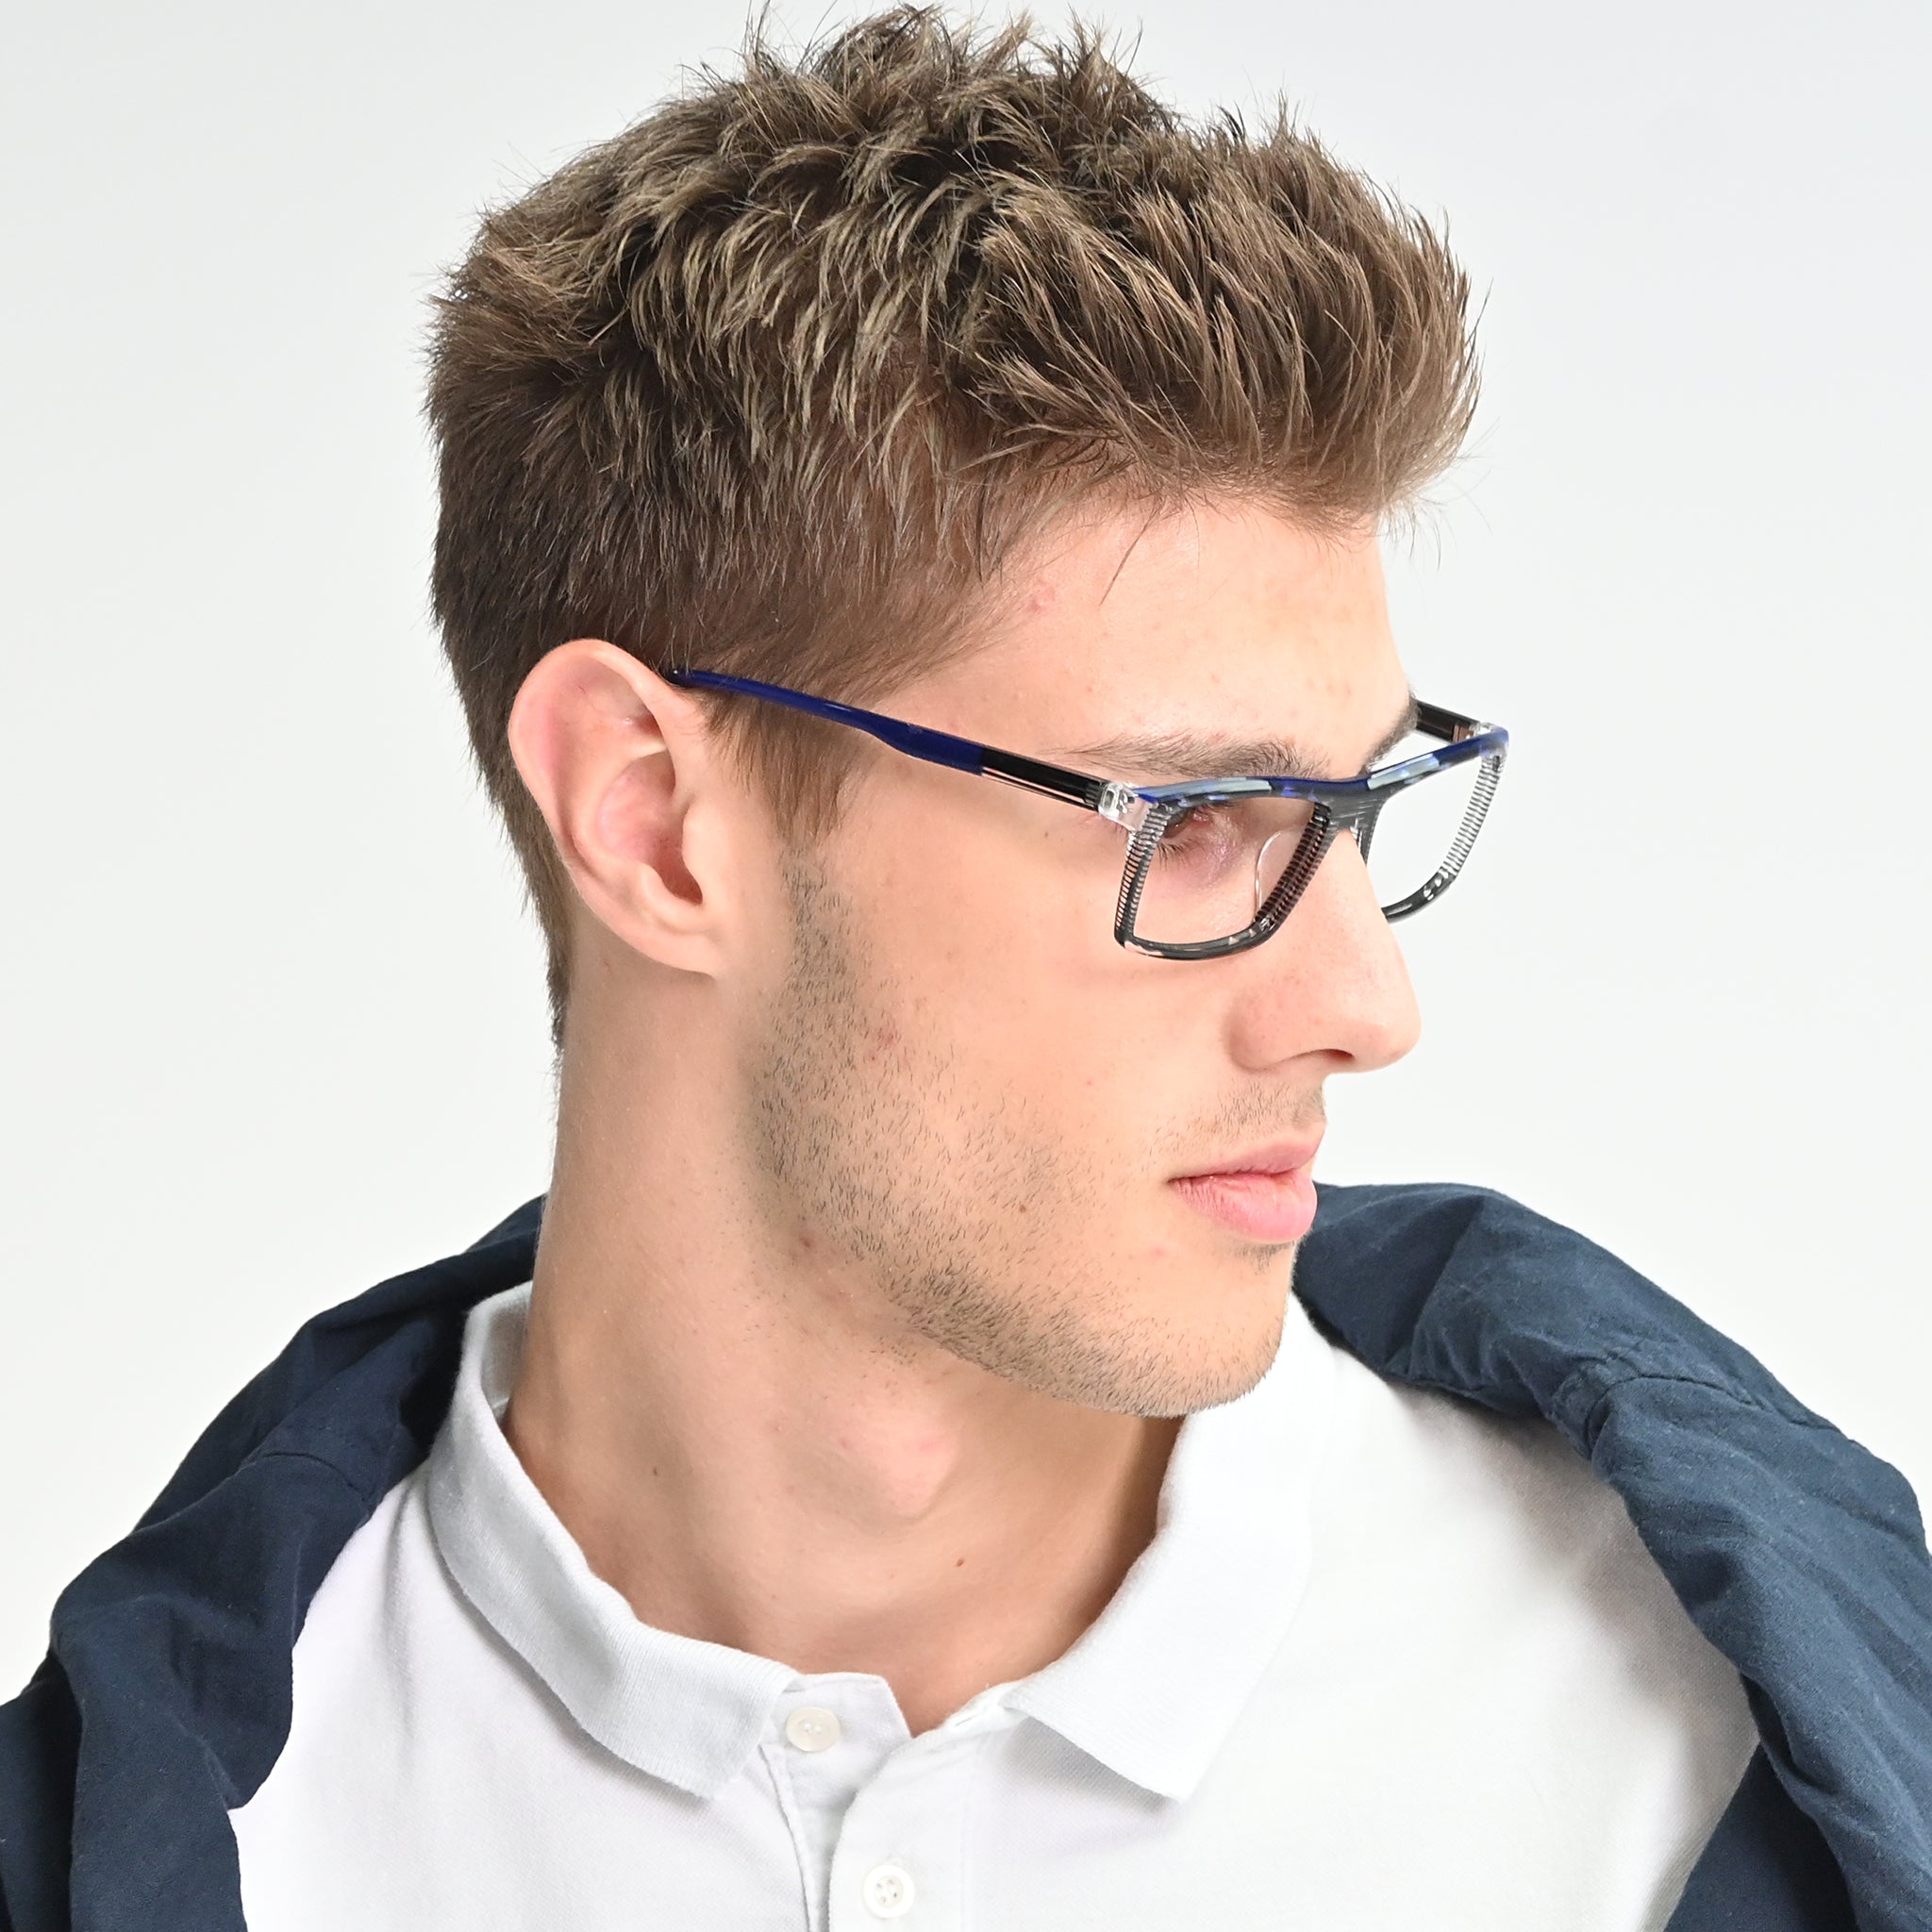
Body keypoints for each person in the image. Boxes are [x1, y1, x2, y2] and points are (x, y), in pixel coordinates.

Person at [3, 9, 1927, 1930]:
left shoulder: (1714, 1746)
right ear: (653, 820)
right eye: (1198, 818)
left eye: (1360, 808)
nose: (1365, 1007)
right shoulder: (218, 1824)